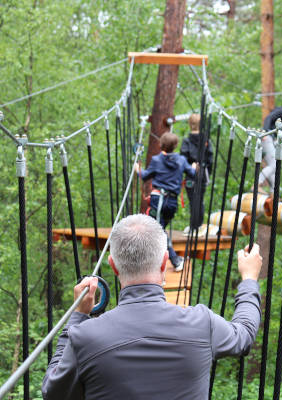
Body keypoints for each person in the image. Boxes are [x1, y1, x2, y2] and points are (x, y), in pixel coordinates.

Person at [42, 214, 262, 400]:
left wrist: (78, 316)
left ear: (113, 266)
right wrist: (249, 278)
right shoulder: (202, 323)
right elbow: (244, 334)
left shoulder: (84, 338)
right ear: (165, 261)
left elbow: (52, 393)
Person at [135, 132, 196, 272]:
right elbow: (192, 174)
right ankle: (159, 260)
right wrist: (193, 167)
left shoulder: (157, 160)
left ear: (161, 145)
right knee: (159, 230)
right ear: (176, 146)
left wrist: (137, 169)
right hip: (172, 203)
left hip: (158, 201)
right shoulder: (181, 160)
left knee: (158, 232)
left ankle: (174, 260)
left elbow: (144, 176)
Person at [180, 113, 214, 231]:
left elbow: (182, 159)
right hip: (203, 174)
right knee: (199, 200)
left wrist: (190, 166)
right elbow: (210, 159)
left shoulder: (186, 142)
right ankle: (197, 225)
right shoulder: (207, 141)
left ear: (190, 124)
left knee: (193, 200)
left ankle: (194, 226)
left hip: (190, 174)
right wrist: (207, 172)